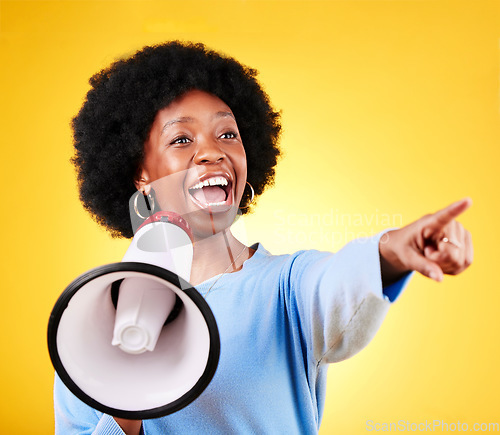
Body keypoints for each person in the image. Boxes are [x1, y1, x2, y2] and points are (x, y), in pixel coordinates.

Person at [54, 41, 473, 434]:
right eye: (181, 139)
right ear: (140, 174)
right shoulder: (91, 316)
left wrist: (392, 251)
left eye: (228, 134)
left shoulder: (287, 286)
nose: (212, 152)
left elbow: (340, 282)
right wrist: (123, 402)